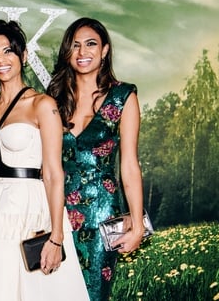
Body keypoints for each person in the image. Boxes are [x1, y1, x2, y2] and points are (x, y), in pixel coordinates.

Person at [0, 20, 89, 300]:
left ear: (22, 56)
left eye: (8, 51)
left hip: (29, 208)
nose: (1, 60)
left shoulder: (42, 105)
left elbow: (54, 174)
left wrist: (56, 236)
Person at [47, 17, 145, 301]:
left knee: (93, 295)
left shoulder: (123, 97)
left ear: (104, 50)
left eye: (91, 44)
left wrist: (137, 224)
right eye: (75, 45)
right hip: (56, 214)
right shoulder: (52, 99)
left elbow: (129, 166)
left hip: (102, 217)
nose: (82, 52)